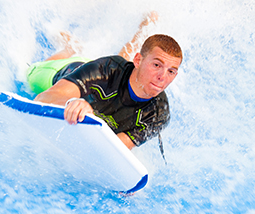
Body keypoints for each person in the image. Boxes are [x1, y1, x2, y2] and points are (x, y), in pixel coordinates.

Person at [26, 15, 182, 151]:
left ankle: (146, 27)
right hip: (66, 71)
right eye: (156, 65)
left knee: (125, 73)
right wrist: (70, 102)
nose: (163, 77)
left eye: (171, 71)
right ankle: (69, 49)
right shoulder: (106, 69)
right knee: (29, 75)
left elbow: (115, 148)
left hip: (112, 74)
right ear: (138, 60)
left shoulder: (158, 113)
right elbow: (42, 99)